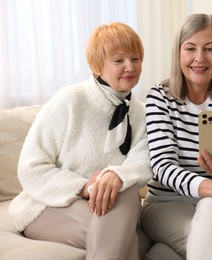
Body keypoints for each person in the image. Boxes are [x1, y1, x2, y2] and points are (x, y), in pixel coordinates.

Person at [9, 22, 152, 260]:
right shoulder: (71, 100)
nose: (130, 67)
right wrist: (84, 187)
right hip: (50, 204)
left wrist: (114, 176)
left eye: (135, 59)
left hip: (113, 206)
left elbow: (144, 162)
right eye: (119, 61)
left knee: (125, 186)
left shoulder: (143, 114)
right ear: (98, 65)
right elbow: (30, 168)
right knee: (128, 239)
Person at [141, 13, 212, 260]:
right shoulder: (159, 97)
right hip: (167, 205)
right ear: (178, 53)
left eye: (209, 49)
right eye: (190, 48)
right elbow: (162, 166)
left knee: (211, 208)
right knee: (208, 236)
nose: (199, 58)